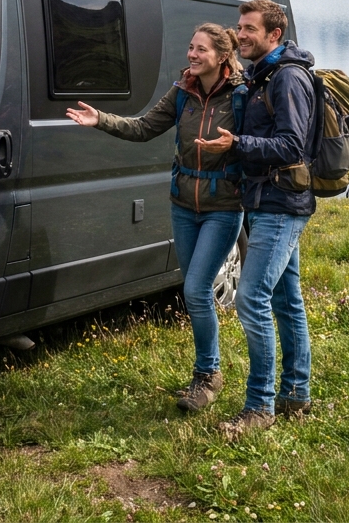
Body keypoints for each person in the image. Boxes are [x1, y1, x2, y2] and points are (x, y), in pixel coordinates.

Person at [67, 24, 245, 412]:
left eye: (200, 50)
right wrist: (101, 119)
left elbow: (257, 146)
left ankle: (208, 375)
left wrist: (236, 148)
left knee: (196, 291)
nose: (192, 55)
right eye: (190, 47)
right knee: (193, 287)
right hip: (183, 205)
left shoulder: (242, 96)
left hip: (223, 207)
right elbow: (145, 127)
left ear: (221, 55)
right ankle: (206, 370)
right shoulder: (183, 92)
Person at [194, 0, 316, 439]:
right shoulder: (264, 73)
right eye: (239, 27)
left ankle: (259, 406)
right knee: (286, 300)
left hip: (281, 204)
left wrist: (238, 144)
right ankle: (296, 393)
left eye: (248, 28)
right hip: (267, 199)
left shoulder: (288, 79)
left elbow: (292, 147)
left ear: (274, 35)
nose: (239, 34)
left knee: (250, 299)